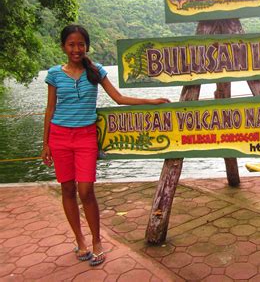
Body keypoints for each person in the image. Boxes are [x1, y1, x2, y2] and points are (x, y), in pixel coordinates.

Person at [41, 25, 170, 266]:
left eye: (80, 44)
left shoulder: (96, 71)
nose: (76, 49)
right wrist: (45, 143)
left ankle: (97, 240)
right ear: (63, 47)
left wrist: (151, 101)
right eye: (71, 44)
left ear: (86, 46)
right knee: (67, 190)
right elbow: (50, 109)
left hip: (86, 137)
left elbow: (118, 98)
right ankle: (80, 240)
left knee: (86, 191)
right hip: (59, 137)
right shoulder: (54, 74)